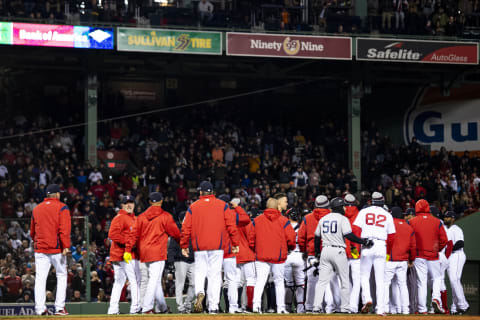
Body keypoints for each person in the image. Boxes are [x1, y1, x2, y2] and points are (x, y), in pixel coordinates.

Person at [180, 181, 240, 314]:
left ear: (200, 192)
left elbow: (185, 227)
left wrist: (184, 245)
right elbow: (231, 226)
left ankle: (200, 292)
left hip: (200, 246)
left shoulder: (193, 206)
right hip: (217, 246)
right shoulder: (222, 205)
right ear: (212, 192)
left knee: (201, 272)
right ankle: (213, 306)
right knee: (215, 276)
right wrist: (235, 243)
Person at [312, 197, 372, 314]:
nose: (345, 208)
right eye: (343, 206)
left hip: (325, 250)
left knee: (322, 281)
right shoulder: (343, 219)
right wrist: (363, 241)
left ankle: (316, 307)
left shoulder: (323, 219)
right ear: (339, 207)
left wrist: (317, 253)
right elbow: (349, 236)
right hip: (338, 251)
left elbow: (317, 238)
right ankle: (344, 308)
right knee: (344, 281)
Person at [126, 192, 180, 314]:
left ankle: (163, 307)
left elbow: (133, 234)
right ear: (161, 201)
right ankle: (147, 308)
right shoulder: (165, 216)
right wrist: (184, 245)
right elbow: (176, 234)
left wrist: (128, 250)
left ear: (150, 202)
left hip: (143, 253)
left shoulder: (141, 217)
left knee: (154, 282)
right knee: (153, 281)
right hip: (157, 253)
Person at [31, 184, 71, 315]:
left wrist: (37, 242)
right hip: (57, 249)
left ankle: (40, 309)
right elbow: (64, 229)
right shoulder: (62, 207)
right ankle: (59, 308)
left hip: (40, 249)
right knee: (61, 275)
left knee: (40, 279)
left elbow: (32, 232)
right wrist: (66, 246)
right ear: (57, 194)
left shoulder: (36, 209)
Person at [353, 192, 396, 315]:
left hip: (367, 244)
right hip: (381, 245)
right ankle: (380, 309)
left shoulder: (364, 212)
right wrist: (388, 251)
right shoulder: (387, 214)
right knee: (380, 280)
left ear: (371, 201)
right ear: (382, 201)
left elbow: (355, 229)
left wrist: (359, 244)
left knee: (364, 276)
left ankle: (367, 299)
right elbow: (392, 236)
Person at [252, 198, 296, 314]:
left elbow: (251, 238)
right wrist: (290, 248)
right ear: (277, 207)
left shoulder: (257, 220)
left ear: (266, 207)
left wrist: (254, 248)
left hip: (261, 255)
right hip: (278, 256)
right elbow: (291, 238)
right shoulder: (283, 220)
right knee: (279, 282)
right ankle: (281, 308)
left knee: (260, 281)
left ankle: (256, 306)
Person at [409, 199, 448, 314]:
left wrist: (411, 254)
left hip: (418, 255)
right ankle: (436, 298)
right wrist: (437, 249)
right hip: (433, 255)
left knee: (421, 282)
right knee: (436, 278)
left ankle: (422, 309)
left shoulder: (412, 222)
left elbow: (408, 238)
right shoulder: (437, 221)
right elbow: (444, 240)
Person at [107, 195, 141, 315]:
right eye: (126, 203)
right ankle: (135, 308)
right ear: (122, 205)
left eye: (131, 202)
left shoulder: (134, 218)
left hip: (121, 255)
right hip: (124, 255)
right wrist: (128, 241)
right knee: (135, 280)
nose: (129, 205)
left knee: (119, 282)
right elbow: (112, 234)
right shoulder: (120, 217)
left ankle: (113, 309)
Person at [297, 195, 331, 312]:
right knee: (328, 282)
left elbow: (301, 237)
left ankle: (310, 307)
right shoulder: (333, 217)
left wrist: (303, 250)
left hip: (312, 253)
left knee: (312, 282)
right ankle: (328, 307)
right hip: (329, 252)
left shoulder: (308, 218)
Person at [384, 207, 416, 315]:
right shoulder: (408, 227)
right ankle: (405, 310)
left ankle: (385, 308)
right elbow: (413, 246)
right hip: (403, 260)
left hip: (390, 259)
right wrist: (411, 259)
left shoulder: (388, 224)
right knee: (402, 285)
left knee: (385, 284)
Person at [444, 211, 469, 315]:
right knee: (453, 281)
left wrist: (449, 250)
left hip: (457, 255)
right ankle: (455, 308)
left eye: (448, 217)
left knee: (454, 280)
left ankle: (463, 305)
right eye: (445, 217)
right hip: (450, 256)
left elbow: (460, 243)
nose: (445, 218)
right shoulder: (446, 229)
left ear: (453, 218)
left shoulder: (456, 229)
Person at [282, 207, 305, 313]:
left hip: (287, 256)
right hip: (299, 255)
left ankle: (287, 307)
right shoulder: (302, 227)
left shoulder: (284, 227)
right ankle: (300, 308)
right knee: (300, 284)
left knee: (289, 284)